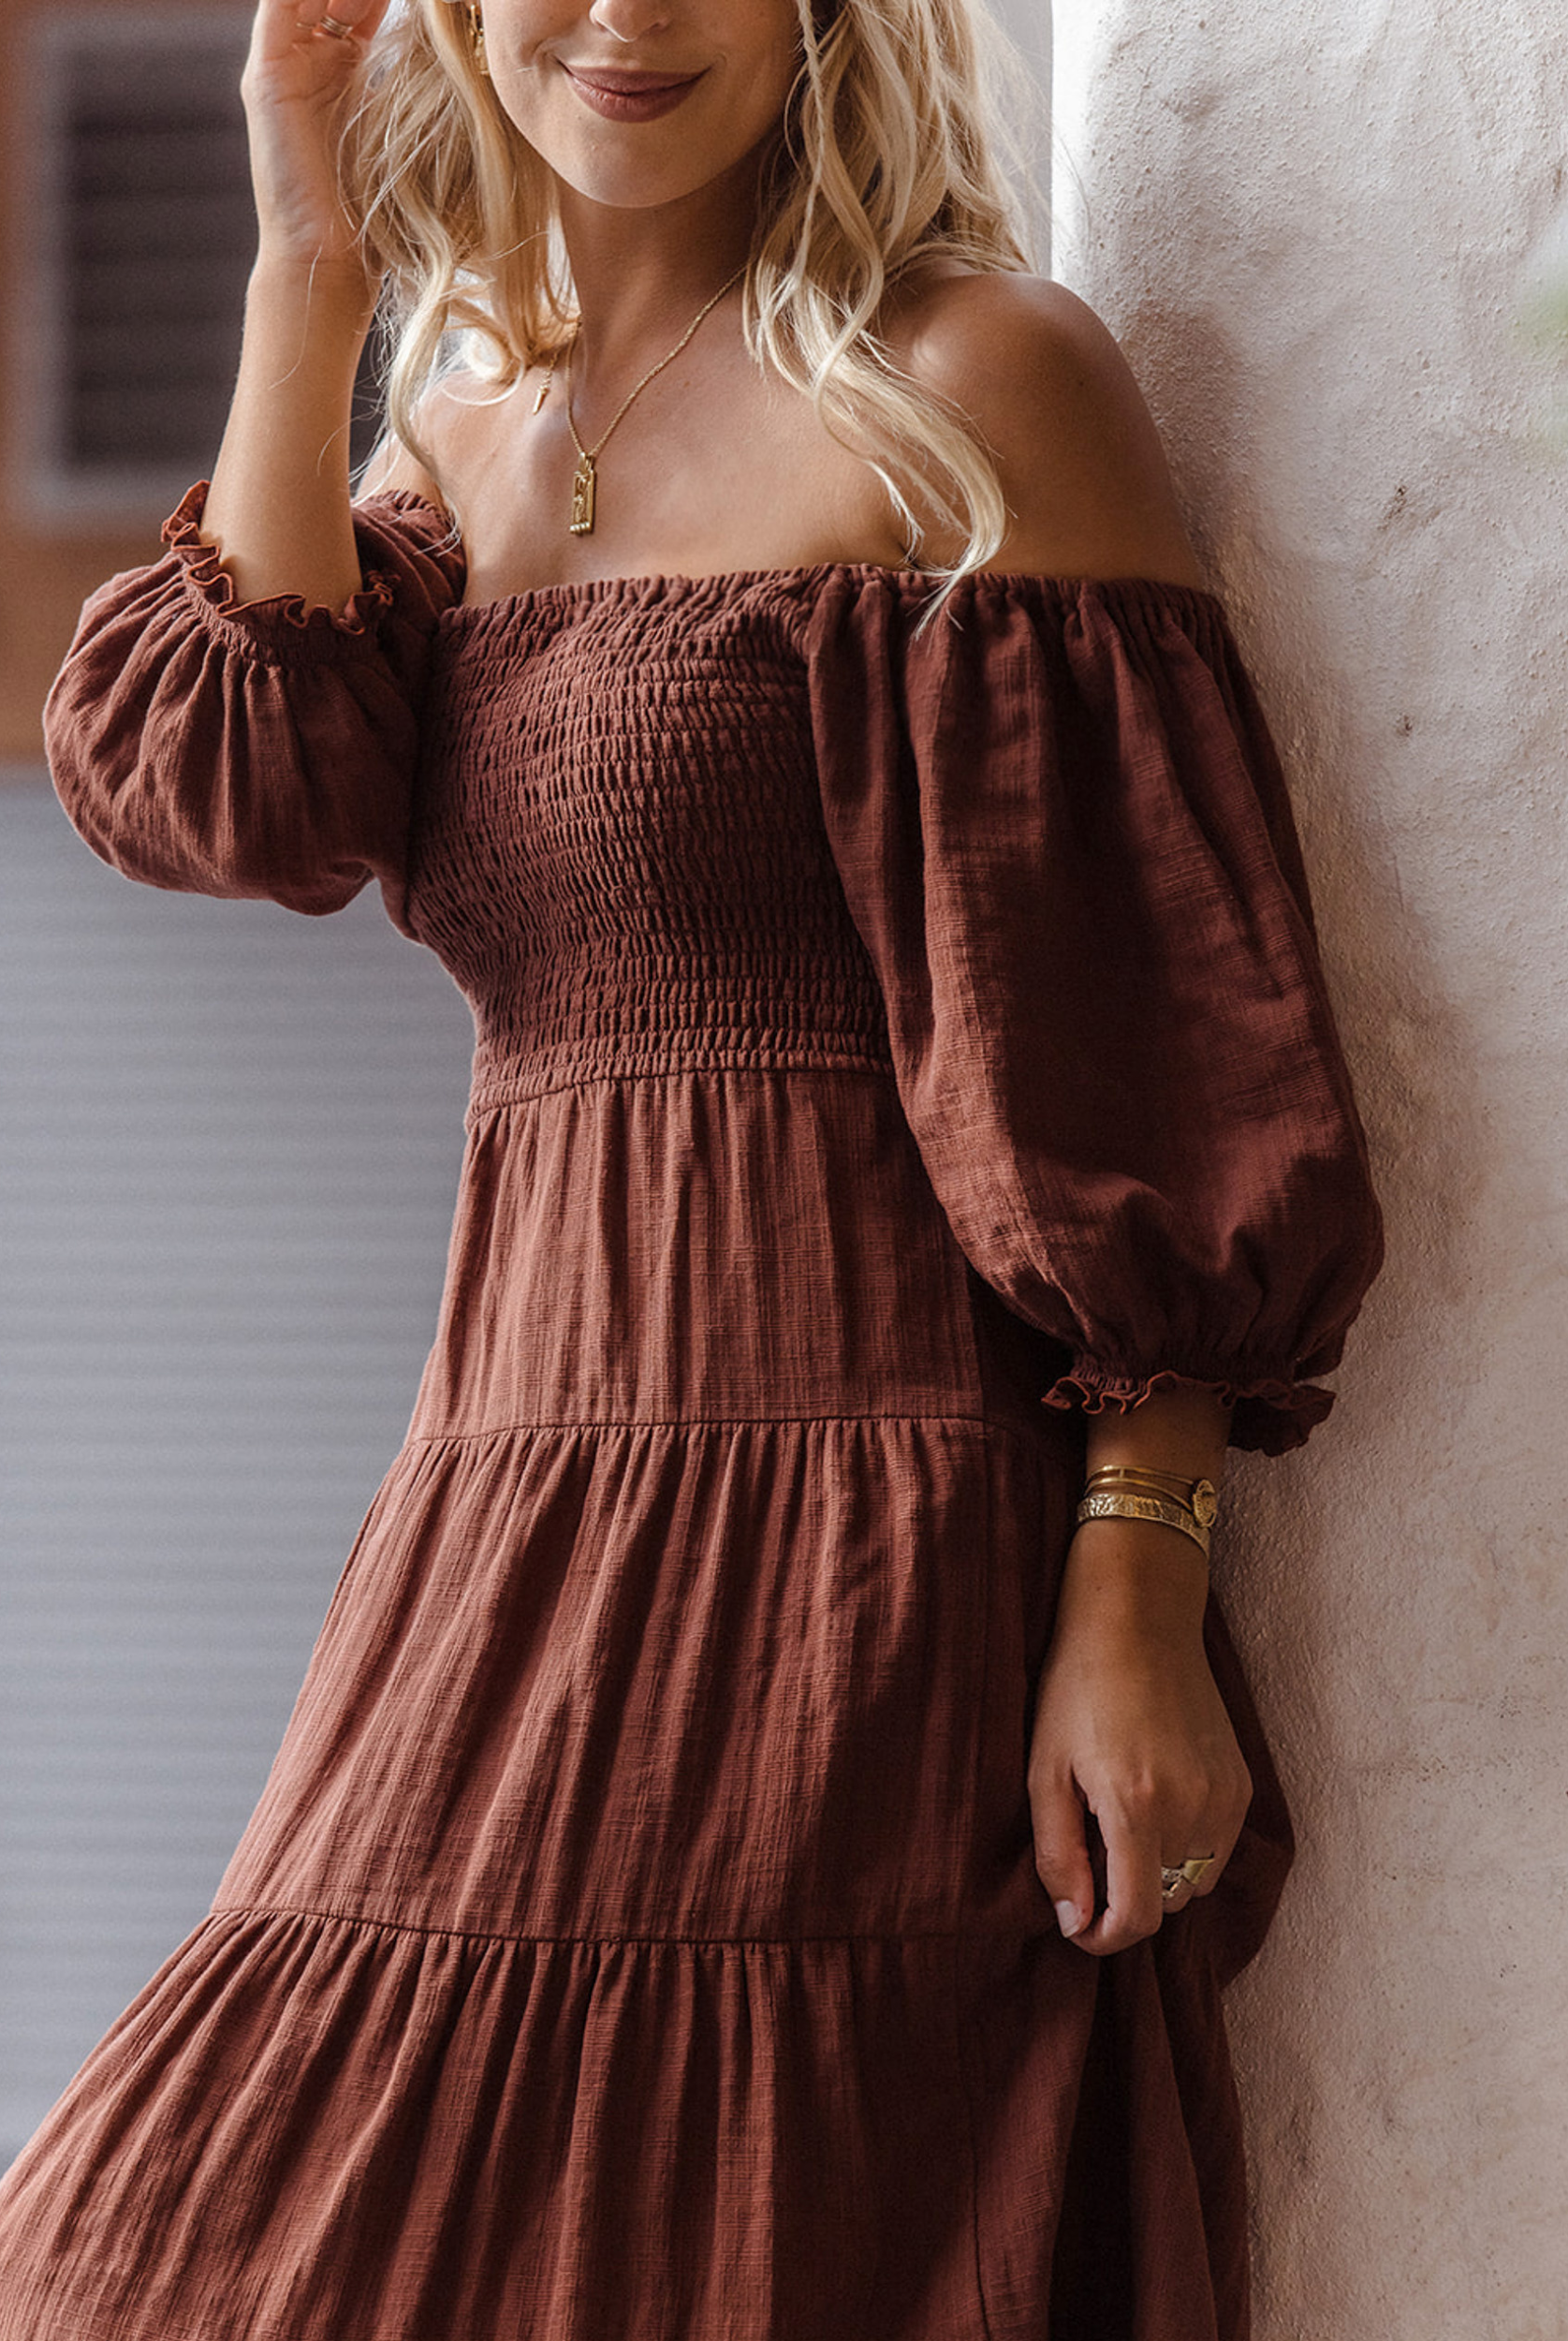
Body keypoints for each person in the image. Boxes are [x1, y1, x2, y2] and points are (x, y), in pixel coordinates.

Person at [0, 0, 1384, 2333]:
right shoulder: (455, 448)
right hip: (514, 1489)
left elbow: (1159, 1027)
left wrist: (1138, 1573)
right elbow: (231, 785)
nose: (631, 18)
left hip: (869, 1531)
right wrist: (301, 254)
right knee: (165, 2258)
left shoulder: (974, 382)